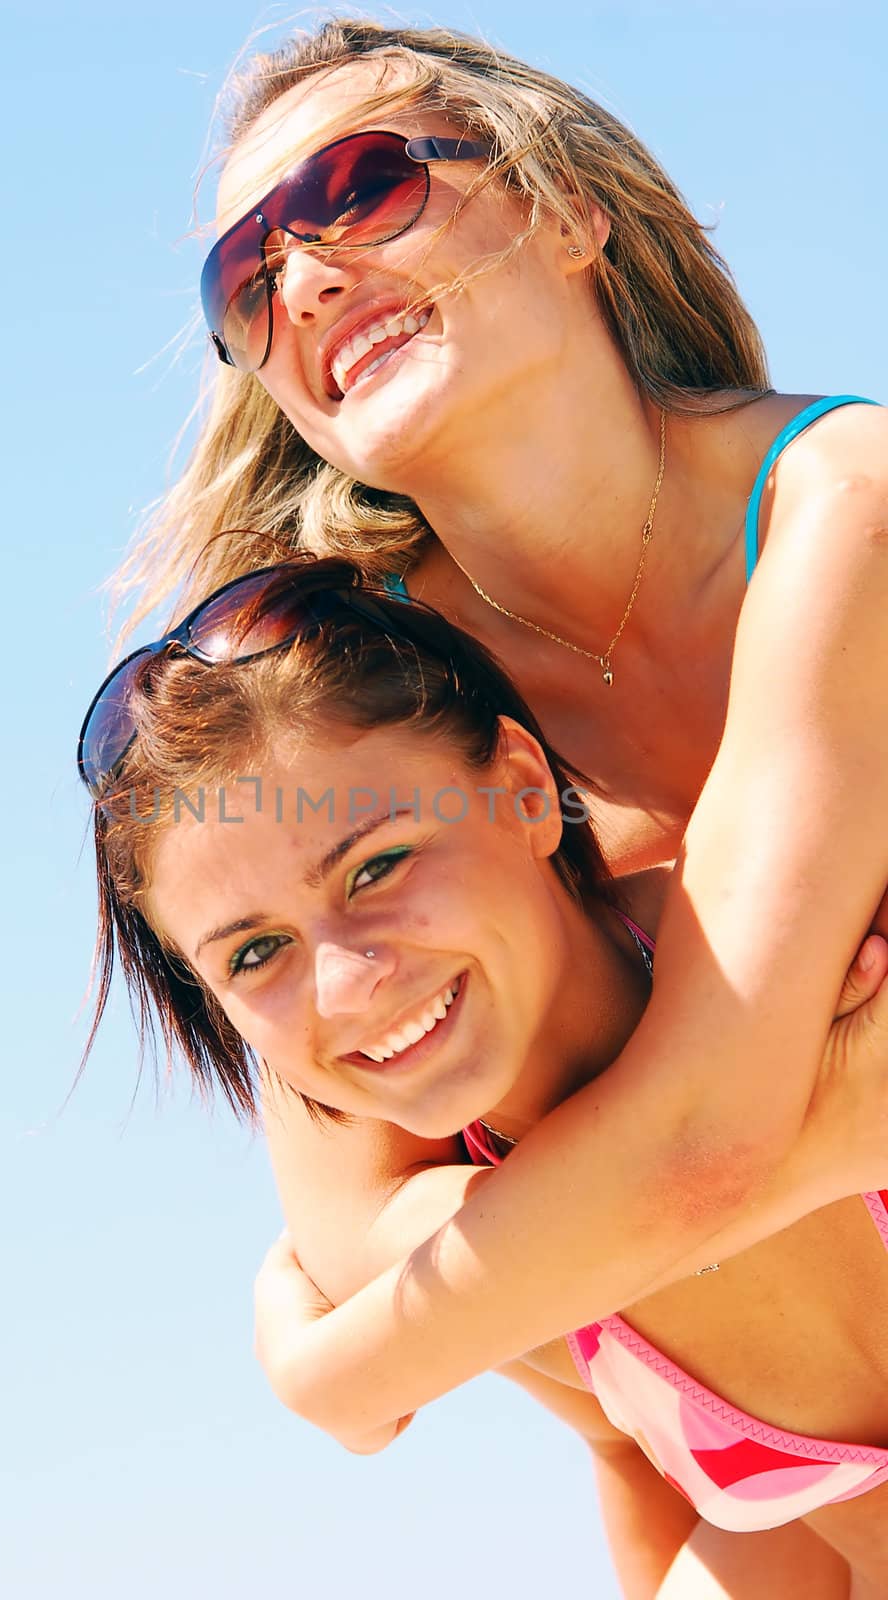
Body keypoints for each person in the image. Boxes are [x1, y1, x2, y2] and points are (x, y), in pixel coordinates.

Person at [77, 558, 888, 1597]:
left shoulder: (810, 943)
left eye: (377, 865)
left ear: (519, 789)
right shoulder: (464, 1239)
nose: (346, 983)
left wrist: (332, 1369)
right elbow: (632, 1458)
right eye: (252, 954)